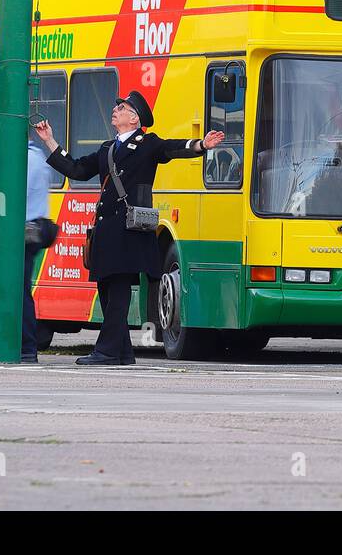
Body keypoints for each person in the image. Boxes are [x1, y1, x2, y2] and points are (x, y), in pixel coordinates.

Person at [34, 90, 225, 365]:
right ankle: (123, 352)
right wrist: (50, 141)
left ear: (134, 118)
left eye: (121, 108)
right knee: (107, 291)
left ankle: (107, 351)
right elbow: (76, 169)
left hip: (128, 232)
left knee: (119, 291)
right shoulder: (107, 148)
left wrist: (201, 145)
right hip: (105, 233)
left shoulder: (147, 144)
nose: (115, 111)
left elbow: (172, 147)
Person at [21, 126, 60, 364]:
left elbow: (16, 196)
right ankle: (27, 345)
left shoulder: (23, 160)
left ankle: (26, 347)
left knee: (19, 291)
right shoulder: (37, 157)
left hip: (24, 230)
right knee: (22, 289)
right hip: (38, 227)